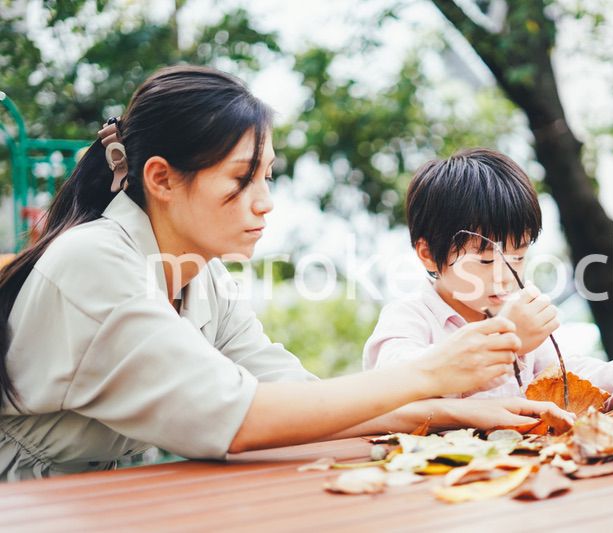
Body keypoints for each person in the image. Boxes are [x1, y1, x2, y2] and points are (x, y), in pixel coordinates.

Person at [0, 67, 572, 481]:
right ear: (162, 179)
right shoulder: (96, 264)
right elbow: (241, 418)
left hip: (110, 498)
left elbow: (296, 397)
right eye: (241, 179)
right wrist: (432, 375)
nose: (265, 202)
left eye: (268, 176)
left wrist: (451, 411)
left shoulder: (204, 281)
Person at [363, 148, 613, 407]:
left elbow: (570, 375)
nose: (505, 275)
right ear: (427, 253)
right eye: (483, 259)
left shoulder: (515, 312)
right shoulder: (408, 319)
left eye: (519, 256)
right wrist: (507, 346)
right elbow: (395, 389)